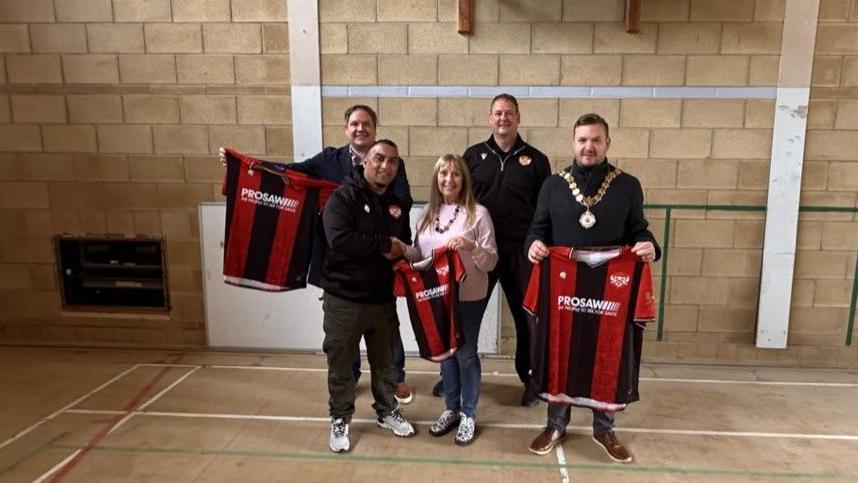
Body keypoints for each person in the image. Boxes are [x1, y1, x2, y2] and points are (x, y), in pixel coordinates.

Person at [218, 105, 414, 404]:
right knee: (343, 331)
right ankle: (350, 377)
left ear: (375, 129)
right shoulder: (329, 160)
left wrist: (374, 214)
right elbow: (291, 171)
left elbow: (403, 202)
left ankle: (395, 378)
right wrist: (249, 166)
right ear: (346, 129)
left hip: (378, 261)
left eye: (366, 124)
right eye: (354, 124)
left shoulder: (390, 162)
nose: (360, 128)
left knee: (385, 329)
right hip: (340, 259)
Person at [525, 113, 659, 463]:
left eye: (596, 140)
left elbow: (639, 230)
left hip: (609, 288)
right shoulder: (553, 185)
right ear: (573, 143)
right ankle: (555, 424)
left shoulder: (628, 185)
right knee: (560, 349)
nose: (589, 146)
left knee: (608, 352)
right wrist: (534, 246)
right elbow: (537, 230)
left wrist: (650, 245)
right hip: (564, 287)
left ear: (607, 144)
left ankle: (604, 429)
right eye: (582, 140)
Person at [449, 93, 551, 406]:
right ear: (490, 118)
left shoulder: (536, 160)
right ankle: (452, 376)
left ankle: (532, 381)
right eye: (497, 113)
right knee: (464, 315)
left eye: (509, 113)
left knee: (528, 319)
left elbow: (544, 210)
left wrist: (540, 243)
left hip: (521, 251)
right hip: (479, 250)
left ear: (518, 118)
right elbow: (458, 200)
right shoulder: (473, 155)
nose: (503, 118)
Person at [322, 139, 416, 453]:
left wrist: (405, 254)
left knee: (386, 361)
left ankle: (387, 410)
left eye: (392, 161)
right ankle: (340, 418)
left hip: (382, 298)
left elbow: (402, 243)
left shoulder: (398, 204)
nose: (385, 166)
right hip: (344, 298)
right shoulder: (343, 196)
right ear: (365, 161)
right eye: (379, 158)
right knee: (341, 364)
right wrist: (381, 245)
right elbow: (339, 239)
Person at [403, 154, 497, 445]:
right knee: (446, 351)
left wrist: (470, 246)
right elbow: (420, 255)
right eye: (443, 173)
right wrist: (400, 250)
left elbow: (491, 261)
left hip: (469, 295)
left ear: (463, 179)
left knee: (465, 353)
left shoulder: (478, 214)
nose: (449, 179)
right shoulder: (426, 215)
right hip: (438, 296)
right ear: (436, 179)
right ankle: (451, 409)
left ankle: (469, 413)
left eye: (455, 174)